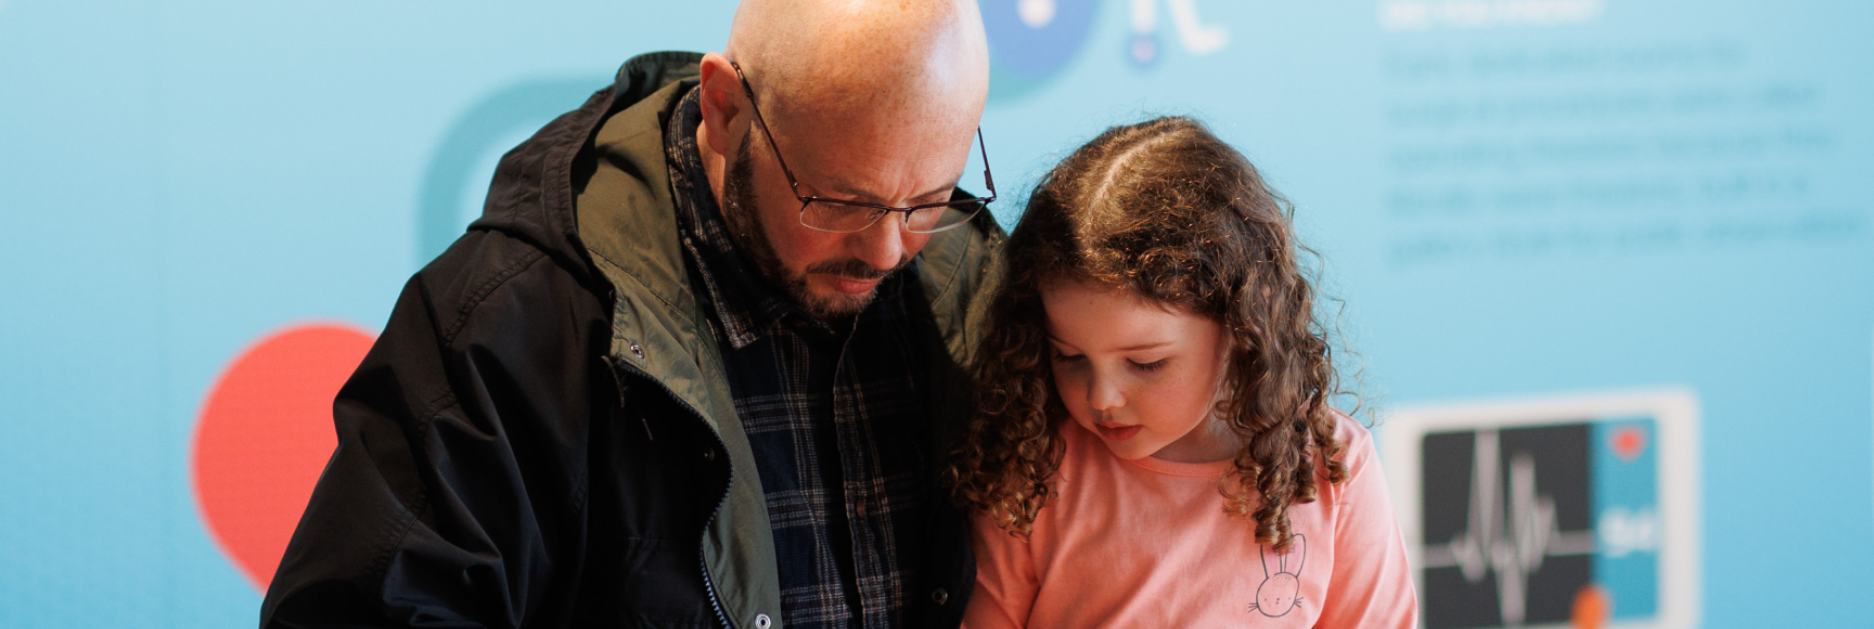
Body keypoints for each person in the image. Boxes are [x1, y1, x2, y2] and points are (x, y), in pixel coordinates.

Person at [260, 1, 1001, 627]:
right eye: (838, 201)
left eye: (929, 199)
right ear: (725, 109)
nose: (885, 249)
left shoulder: (978, 290)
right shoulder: (508, 325)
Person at [946, 117, 1417, 628]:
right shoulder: (1032, 466)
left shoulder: (1330, 468)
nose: (1102, 397)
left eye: (1146, 363)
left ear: (1242, 322)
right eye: (1069, 356)